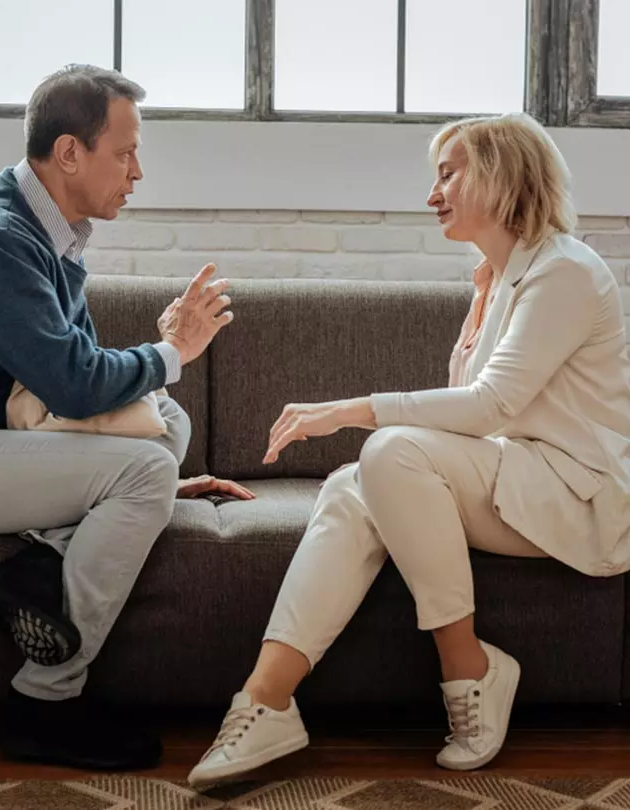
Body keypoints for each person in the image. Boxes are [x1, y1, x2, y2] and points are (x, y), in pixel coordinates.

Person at [188, 112, 630, 788]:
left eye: (448, 173)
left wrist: (347, 412)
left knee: (388, 453)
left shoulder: (564, 271)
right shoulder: (491, 281)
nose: (432, 194)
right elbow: (470, 428)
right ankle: (265, 701)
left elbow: (489, 408)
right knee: (350, 485)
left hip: (577, 495)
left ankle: (470, 669)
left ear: (501, 174)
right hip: (517, 479)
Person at [0, 64, 252, 770]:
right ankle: (45, 703)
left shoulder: (47, 231)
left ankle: (39, 568)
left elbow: (78, 370)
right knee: (144, 467)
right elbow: (73, 385)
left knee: (166, 425)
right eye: (124, 152)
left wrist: (159, 369)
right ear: (70, 153)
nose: (138, 171)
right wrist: (171, 349)